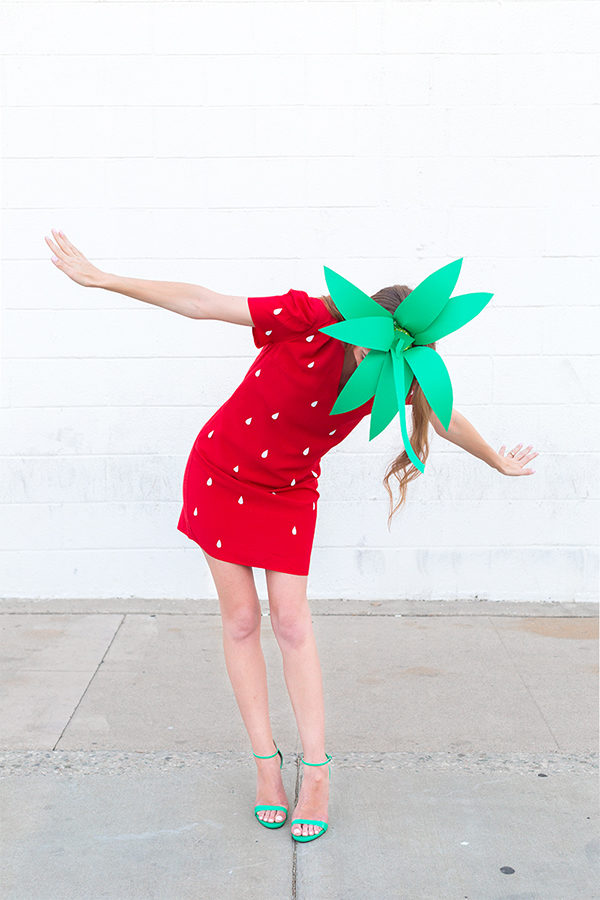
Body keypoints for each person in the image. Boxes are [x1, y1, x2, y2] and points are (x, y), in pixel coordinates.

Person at [44, 228, 538, 843]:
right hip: (220, 472)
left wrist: (497, 460)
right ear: (360, 328)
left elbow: (444, 413)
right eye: (370, 354)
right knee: (242, 622)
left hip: (287, 491)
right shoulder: (312, 317)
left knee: (292, 624)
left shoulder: (404, 369)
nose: (376, 367)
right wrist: (105, 278)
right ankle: (265, 767)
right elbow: (207, 303)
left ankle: (318, 771)